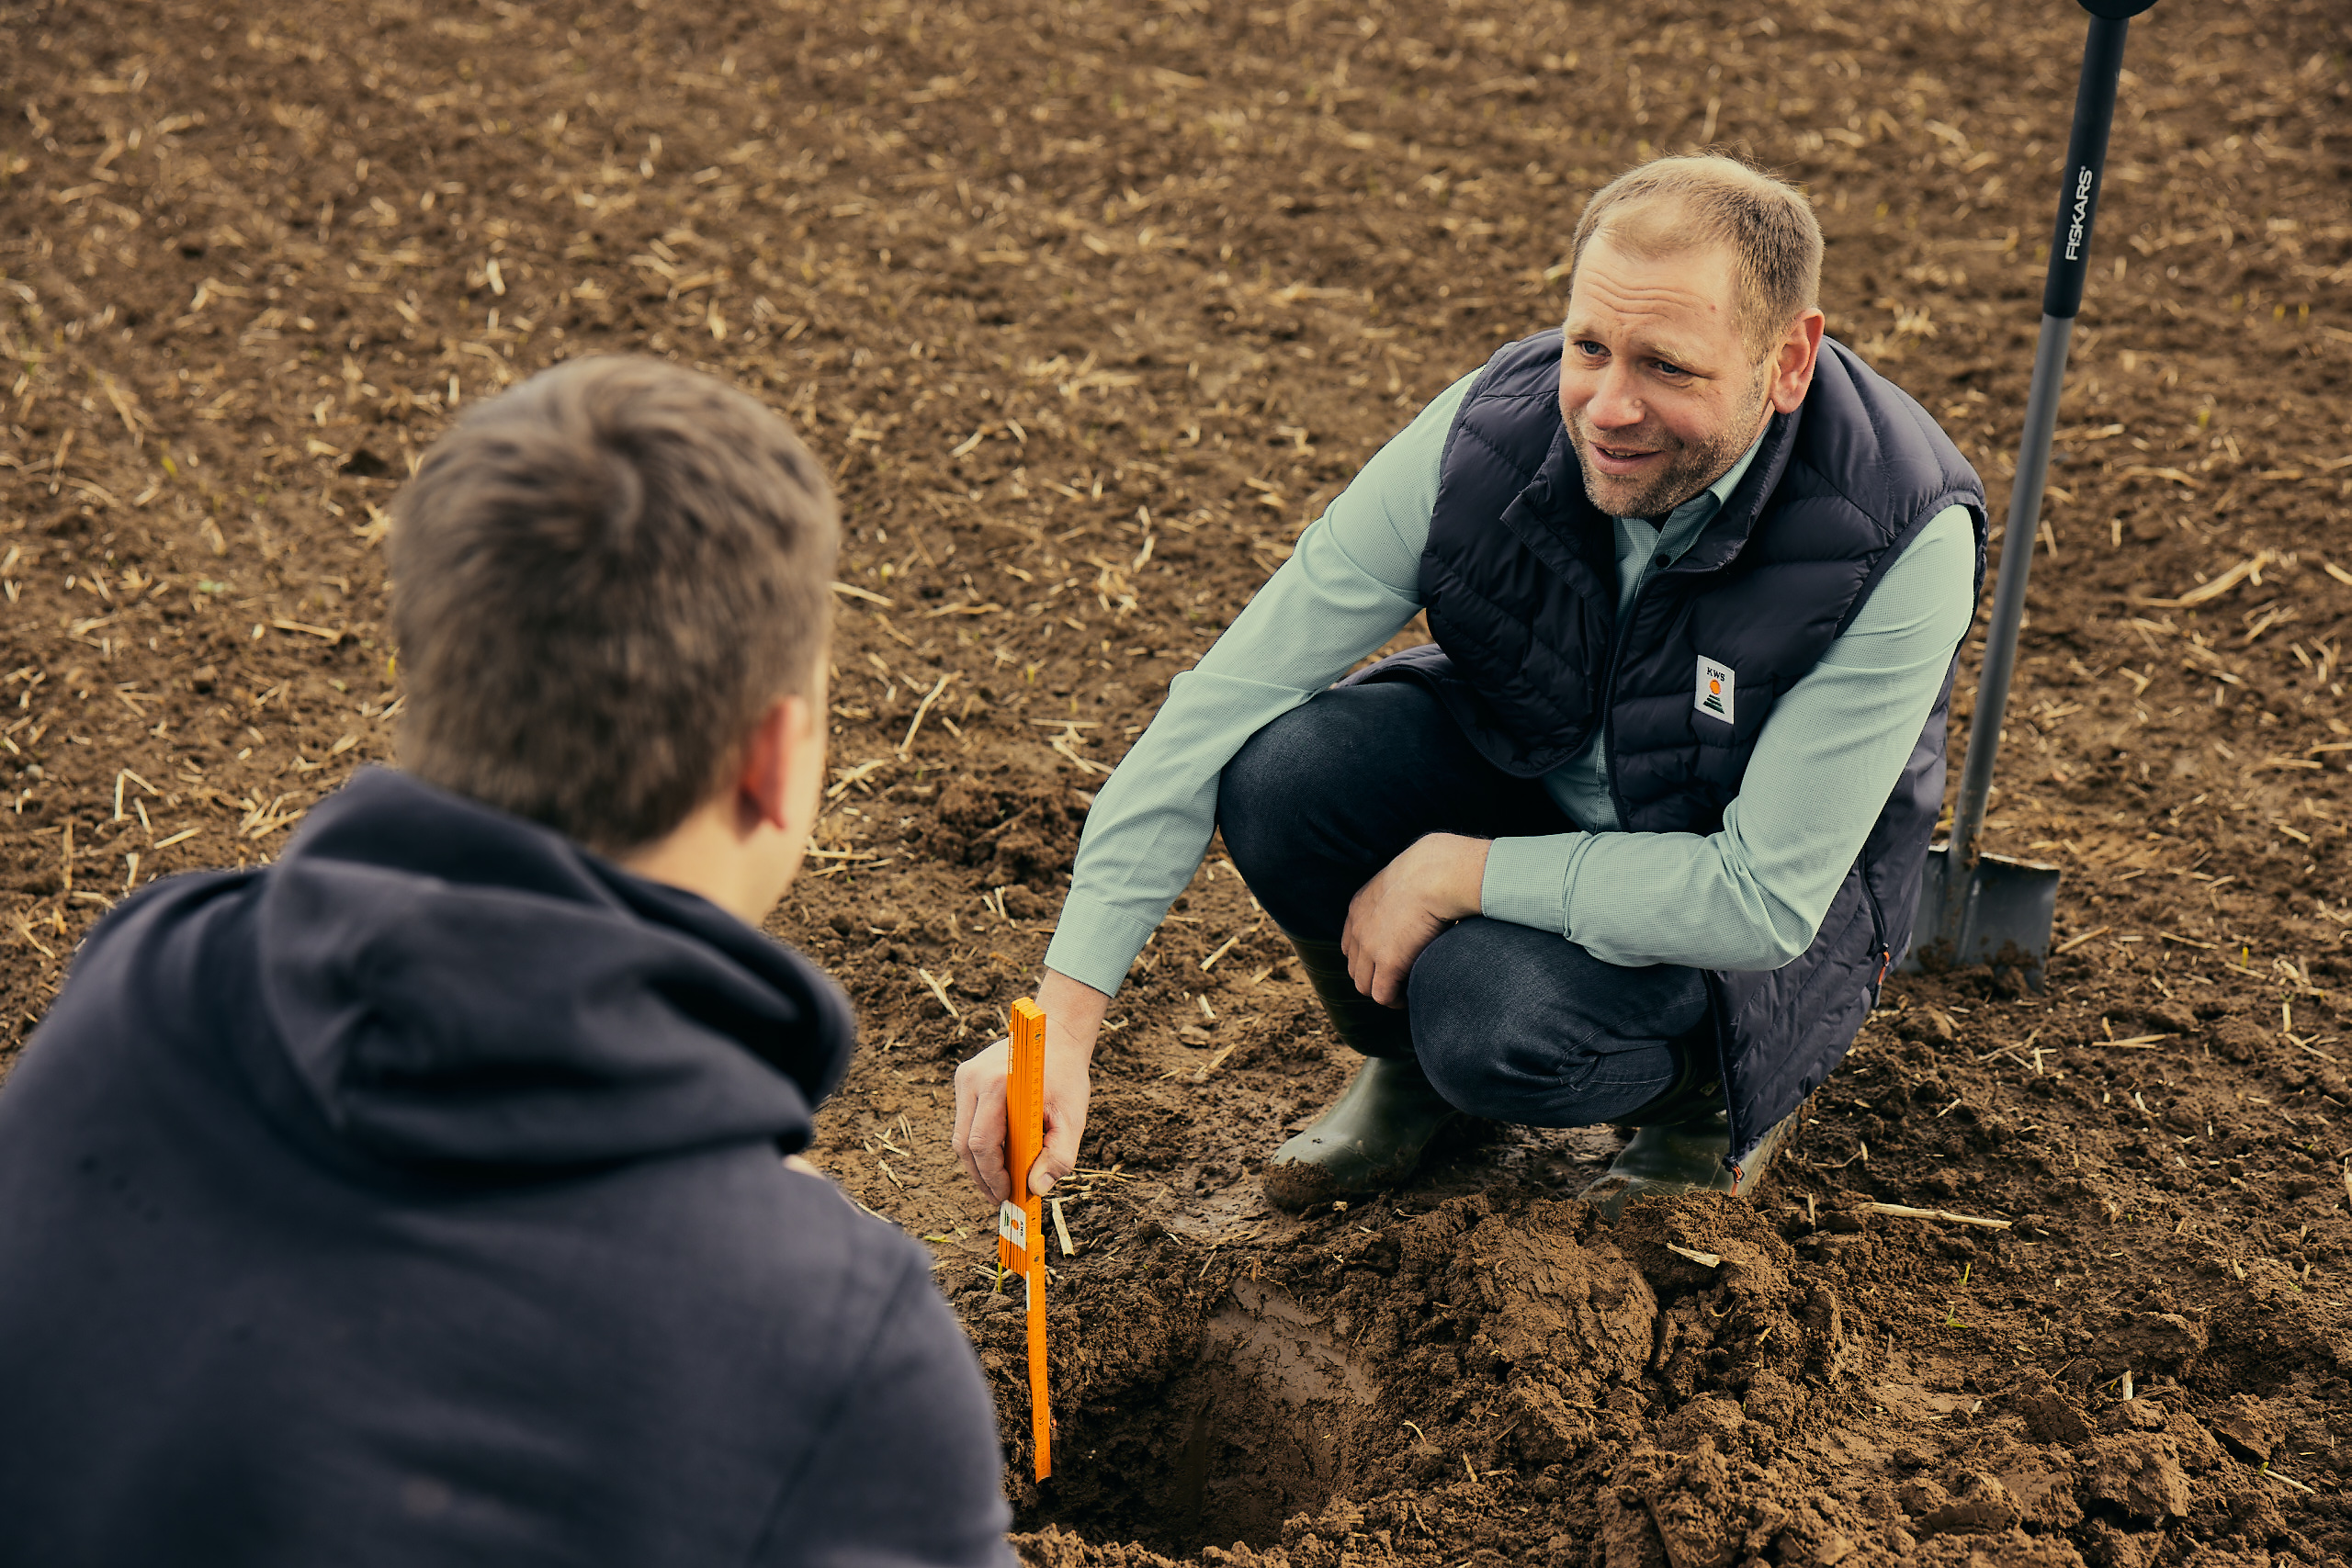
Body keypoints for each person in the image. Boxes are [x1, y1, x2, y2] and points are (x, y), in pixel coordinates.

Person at [0, 358, 1013, 1566]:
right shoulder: (835, 1345)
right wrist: (757, 1259)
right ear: (779, 757)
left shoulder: (136, 987)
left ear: (431, 674)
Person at [954, 154, 1985, 1215]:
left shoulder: (1895, 535)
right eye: (1590, 347)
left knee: (1488, 1017)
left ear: (1787, 361)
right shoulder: (1489, 432)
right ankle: (1411, 1074)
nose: (1606, 408)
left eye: (1667, 368)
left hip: (1735, 917)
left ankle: (1706, 1102)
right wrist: (1062, 1027)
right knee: (1282, 775)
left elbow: (1761, 902)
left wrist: (1456, 873)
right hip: (1542, 777)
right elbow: (1220, 703)